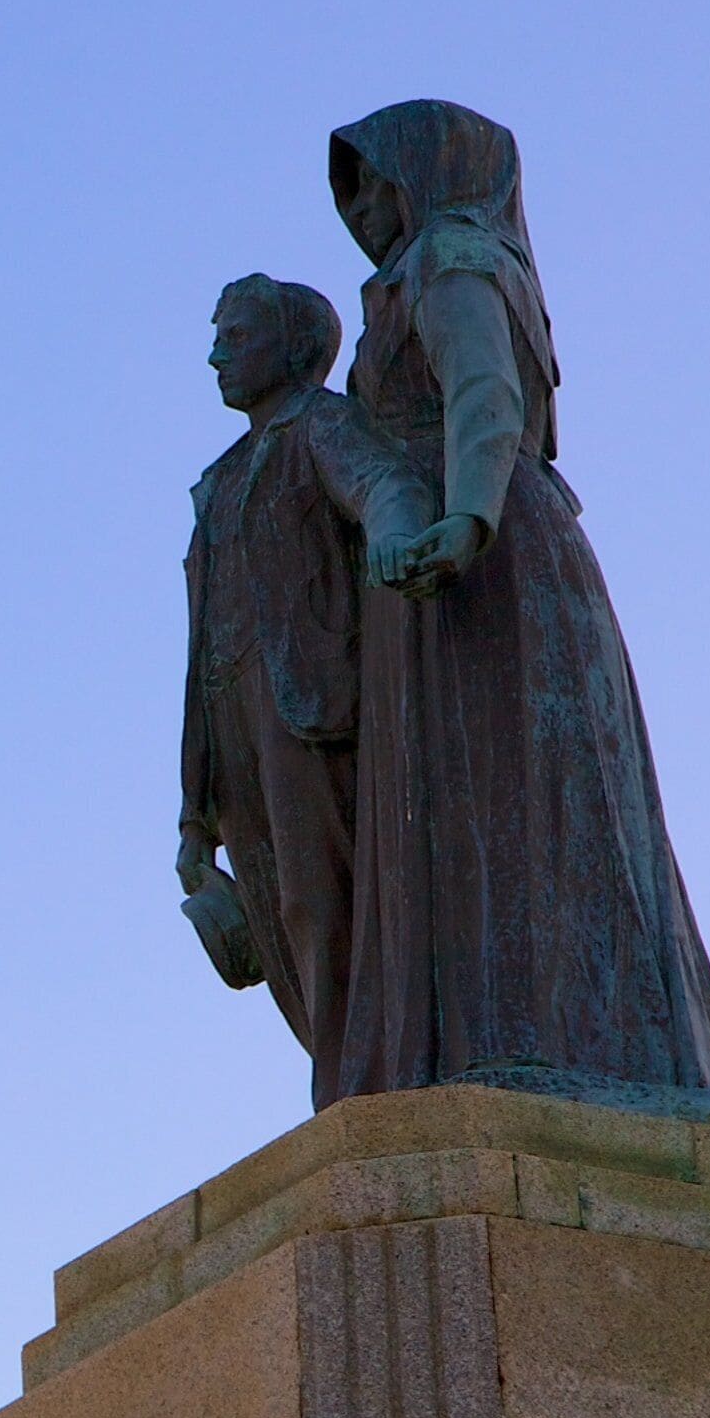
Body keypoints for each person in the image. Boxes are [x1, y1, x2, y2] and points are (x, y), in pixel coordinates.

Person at [328, 99, 710, 1131]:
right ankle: (487, 1040)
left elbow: (485, 394)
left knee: (517, 805)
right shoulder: (417, 271)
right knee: (473, 810)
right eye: (348, 191)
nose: (360, 208)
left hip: (480, 553)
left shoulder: (449, 255)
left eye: (372, 180)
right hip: (446, 551)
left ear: (424, 171)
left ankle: (543, 1040)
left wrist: (468, 519)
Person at [178, 274, 433, 1107]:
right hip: (233, 723)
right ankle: (344, 1083)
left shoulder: (318, 423)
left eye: (238, 335)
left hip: (308, 707)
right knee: (279, 913)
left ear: (291, 346)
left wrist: (398, 534)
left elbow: (384, 484)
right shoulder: (217, 484)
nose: (217, 352)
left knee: (319, 904)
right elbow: (196, 646)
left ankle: (363, 1089)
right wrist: (193, 814)